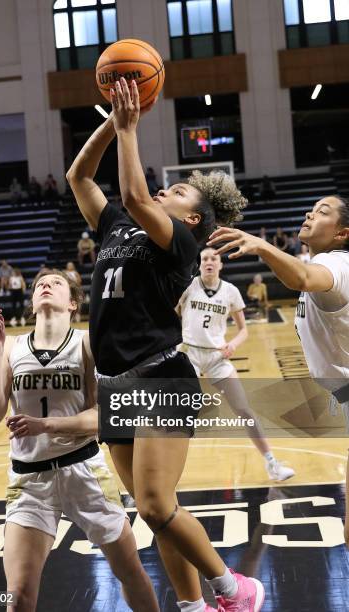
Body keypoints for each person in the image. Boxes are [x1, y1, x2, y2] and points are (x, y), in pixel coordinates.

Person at [67, 76, 265, 612]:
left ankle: (233, 587)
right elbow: (80, 175)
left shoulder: (178, 242)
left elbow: (133, 191)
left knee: (154, 506)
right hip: (114, 383)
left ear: (193, 218)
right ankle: (192, 605)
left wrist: (131, 128)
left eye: (175, 193)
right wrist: (112, 122)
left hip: (161, 377)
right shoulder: (115, 225)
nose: (162, 192)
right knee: (157, 509)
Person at [0, 269, 159, 612]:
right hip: (29, 480)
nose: (45, 286)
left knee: (130, 571)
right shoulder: (12, 347)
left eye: (56, 283)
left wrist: (46, 425)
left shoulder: (88, 343)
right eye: (39, 285)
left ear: (73, 303)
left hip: (85, 472)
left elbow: (104, 415)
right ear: (32, 304)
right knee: (16, 595)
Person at [207, 194, 349, 549]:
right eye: (311, 208)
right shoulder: (329, 263)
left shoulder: (338, 265)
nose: (309, 212)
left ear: (342, 233)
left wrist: (262, 246)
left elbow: (300, 276)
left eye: (322, 212)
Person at [177, 249, 294, 481]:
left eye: (213, 259)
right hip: (189, 353)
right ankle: (160, 471)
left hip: (217, 356)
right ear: (200, 264)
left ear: (220, 264)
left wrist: (233, 345)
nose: (209, 262)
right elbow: (171, 315)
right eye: (205, 259)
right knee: (176, 414)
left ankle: (272, 463)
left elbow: (244, 330)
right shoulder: (188, 286)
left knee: (244, 410)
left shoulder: (230, 291)